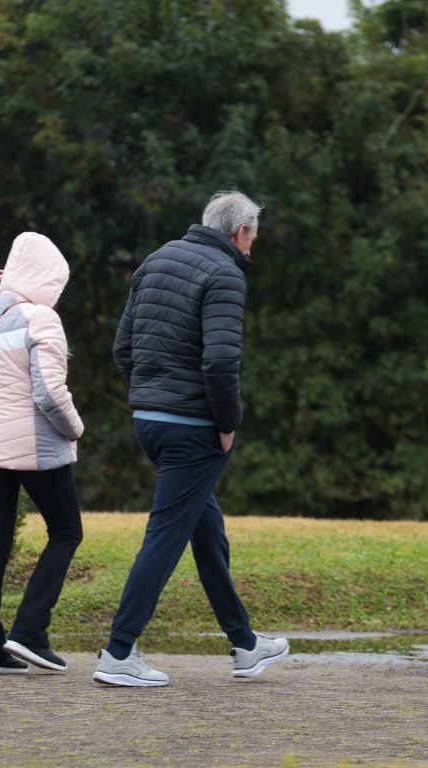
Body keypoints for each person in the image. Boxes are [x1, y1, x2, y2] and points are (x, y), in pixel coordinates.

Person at [93, 191, 289, 687]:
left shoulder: (158, 259)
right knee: (165, 537)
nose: (252, 250)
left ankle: (244, 644)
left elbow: (123, 347)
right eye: (252, 240)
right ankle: (118, 653)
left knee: (207, 531)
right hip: (193, 428)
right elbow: (220, 362)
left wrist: (149, 396)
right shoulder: (225, 273)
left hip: (150, 421)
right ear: (240, 233)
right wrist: (226, 425)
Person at [0, 231, 85, 675]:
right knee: (66, 532)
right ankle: (30, 631)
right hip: (36, 448)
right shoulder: (41, 319)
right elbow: (49, 394)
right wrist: (76, 429)